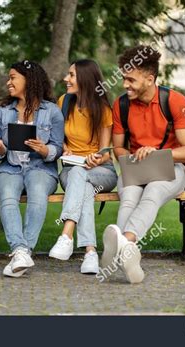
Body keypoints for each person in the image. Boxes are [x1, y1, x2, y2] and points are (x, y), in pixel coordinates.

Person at [101, 45, 185, 283]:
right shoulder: (121, 105)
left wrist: (157, 152)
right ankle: (129, 256)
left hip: (170, 168)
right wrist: (132, 158)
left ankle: (125, 241)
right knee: (129, 197)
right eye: (124, 78)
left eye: (130, 80)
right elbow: (119, 148)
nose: (125, 84)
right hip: (135, 166)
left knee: (152, 193)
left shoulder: (175, 101)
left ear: (149, 79)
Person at [0, 60, 64, 278]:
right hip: (10, 167)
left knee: (38, 194)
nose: (8, 82)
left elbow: (58, 148)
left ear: (29, 80)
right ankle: (20, 250)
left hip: (41, 168)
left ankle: (24, 251)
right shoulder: (2, 112)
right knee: (7, 196)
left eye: (13, 77)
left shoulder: (52, 112)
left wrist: (44, 150)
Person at [48, 60, 118, 274]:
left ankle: (67, 234)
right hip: (71, 169)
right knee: (83, 187)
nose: (65, 79)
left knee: (82, 176)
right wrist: (64, 148)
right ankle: (90, 252)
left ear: (86, 79)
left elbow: (106, 152)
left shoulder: (103, 109)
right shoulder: (64, 102)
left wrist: (97, 157)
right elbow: (56, 137)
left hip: (102, 172)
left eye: (71, 75)